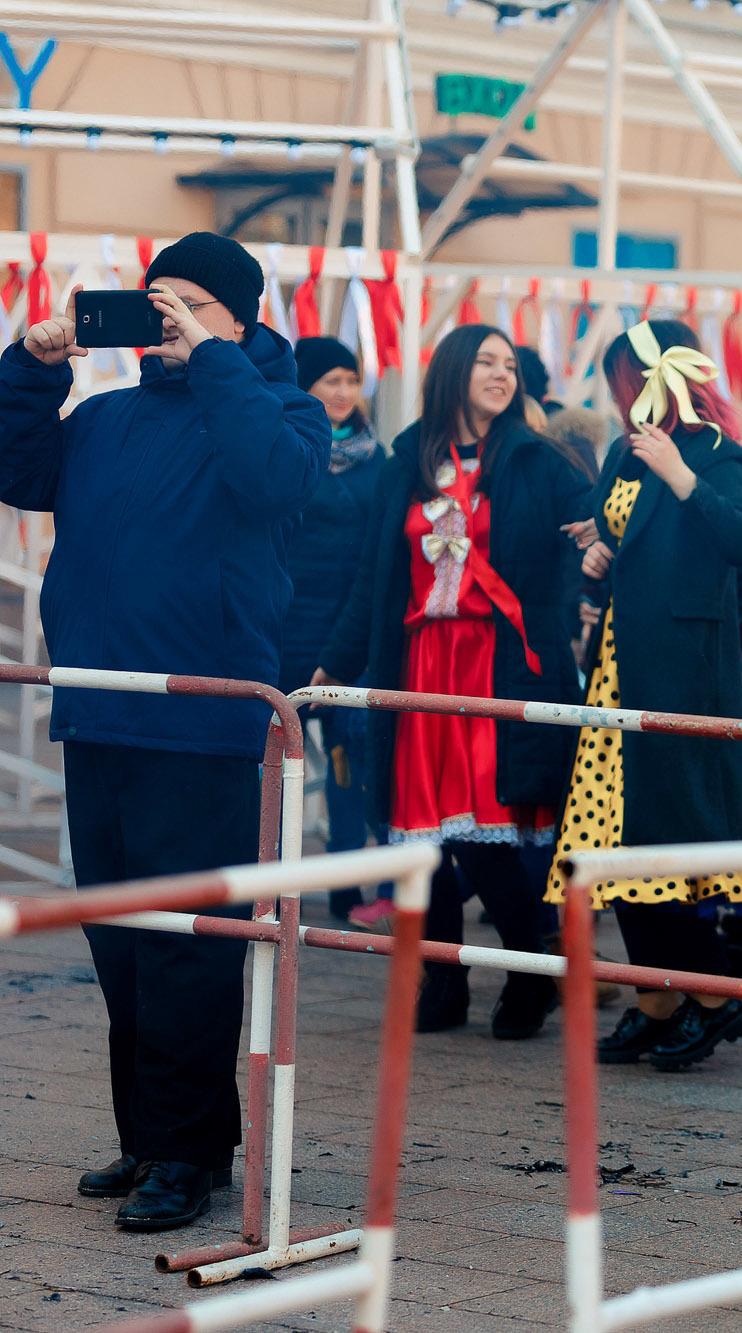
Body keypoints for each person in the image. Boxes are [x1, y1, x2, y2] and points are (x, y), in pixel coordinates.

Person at [0, 232, 329, 1229]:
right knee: (121, 944)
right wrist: (31, 364)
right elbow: (18, 469)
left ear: (239, 319)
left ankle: (186, 1155)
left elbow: (275, 482)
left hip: (207, 722)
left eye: (189, 304)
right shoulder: (104, 416)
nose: (167, 321)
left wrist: (215, 361)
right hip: (100, 712)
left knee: (190, 950)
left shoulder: (284, 411)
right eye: (155, 304)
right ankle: (157, 1136)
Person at [315, 323, 589, 1040]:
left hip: (495, 667)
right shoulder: (405, 460)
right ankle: (444, 982)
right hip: (419, 667)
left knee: (482, 837)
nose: (503, 373)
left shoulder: (540, 461)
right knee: (418, 838)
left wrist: (572, 599)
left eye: (509, 364)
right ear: (453, 372)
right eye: (487, 362)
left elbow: (593, 538)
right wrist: (335, 665)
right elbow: (375, 578)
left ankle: (531, 971)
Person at [544, 319, 742, 1073]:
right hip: (617, 666)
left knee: (660, 843)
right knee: (610, 846)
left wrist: (681, 475)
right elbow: (616, 544)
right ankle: (658, 1000)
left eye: (624, 380)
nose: (620, 397)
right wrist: (596, 552)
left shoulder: (715, 453)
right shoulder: (620, 451)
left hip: (681, 676)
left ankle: (711, 998)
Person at [285, 336, 392, 926]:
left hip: (355, 629)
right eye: (332, 381)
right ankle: (273, 879)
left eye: (352, 380)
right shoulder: (287, 450)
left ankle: (352, 882)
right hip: (291, 627)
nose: (345, 392)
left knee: (353, 762)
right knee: (280, 761)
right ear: (305, 387)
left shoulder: (381, 459)